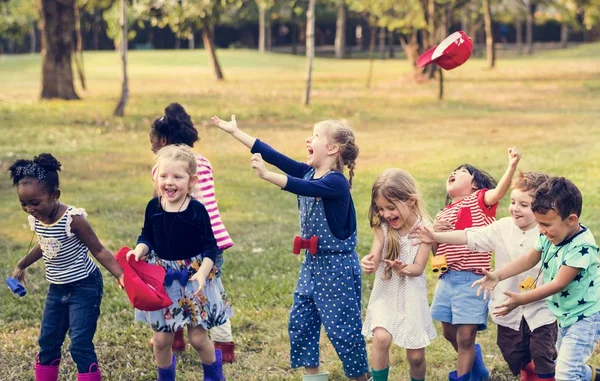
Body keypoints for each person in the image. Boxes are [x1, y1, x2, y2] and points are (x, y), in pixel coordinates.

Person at [211, 115, 369, 381]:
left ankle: (362, 378)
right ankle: (313, 376)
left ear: (332, 149)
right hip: (311, 265)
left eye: (316, 136)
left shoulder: (335, 182)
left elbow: (302, 187)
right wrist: (236, 132)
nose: (309, 139)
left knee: (343, 331)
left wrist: (266, 175)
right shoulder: (309, 170)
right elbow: (273, 154)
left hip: (336, 268)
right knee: (302, 323)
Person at [411, 171, 557, 380]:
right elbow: (470, 236)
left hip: (540, 308)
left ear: (541, 208)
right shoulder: (503, 227)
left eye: (524, 205)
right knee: (515, 354)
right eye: (513, 202)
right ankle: (542, 372)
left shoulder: (547, 232)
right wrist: (435, 235)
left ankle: (548, 374)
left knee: (543, 355)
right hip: (507, 308)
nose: (515, 208)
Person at [9, 153, 124, 381]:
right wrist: (22, 264)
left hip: (84, 287)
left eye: (35, 202)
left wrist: (121, 275)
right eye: (24, 204)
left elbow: (99, 249)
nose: (30, 209)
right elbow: (46, 245)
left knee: (80, 343)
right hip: (57, 289)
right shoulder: (38, 219)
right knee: (48, 341)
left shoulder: (73, 219)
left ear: (55, 195)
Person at [472, 177, 600, 381]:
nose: (540, 230)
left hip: (585, 317)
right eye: (539, 223)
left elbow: (559, 283)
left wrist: (522, 299)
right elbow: (528, 259)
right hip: (566, 314)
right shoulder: (548, 235)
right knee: (563, 368)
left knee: (566, 374)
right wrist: (498, 275)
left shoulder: (581, 247)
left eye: (546, 224)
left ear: (571, 220)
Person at [128, 144, 232, 381]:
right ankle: (165, 377)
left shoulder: (196, 210)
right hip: (162, 279)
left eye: (177, 176)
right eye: (163, 176)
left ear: (192, 180)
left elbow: (210, 246)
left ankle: (214, 376)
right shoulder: (153, 206)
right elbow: (147, 236)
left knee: (197, 338)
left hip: (194, 279)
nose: (169, 182)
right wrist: (139, 250)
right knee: (162, 340)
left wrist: (203, 274)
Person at [148, 102, 236, 362]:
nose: (152, 147)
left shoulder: (162, 171)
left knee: (180, 289)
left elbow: (163, 209)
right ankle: (224, 346)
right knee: (211, 292)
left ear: (163, 140)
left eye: (152, 142)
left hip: (191, 243)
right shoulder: (202, 162)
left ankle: (175, 336)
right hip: (216, 238)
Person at [429, 147, 521, 381]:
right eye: (452, 171)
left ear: (474, 185)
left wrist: (511, 165)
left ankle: (462, 377)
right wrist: (434, 234)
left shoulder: (480, 201)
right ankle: (478, 369)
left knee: (465, 337)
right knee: (450, 333)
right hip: (446, 280)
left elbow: (498, 192)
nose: (453, 172)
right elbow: (437, 251)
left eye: (460, 171)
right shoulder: (443, 213)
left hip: (472, 280)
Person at [360, 169, 437, 381]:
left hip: (412, 295)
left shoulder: (424, 230)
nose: (385, 214)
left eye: (391, 208)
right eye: (381, 208)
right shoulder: (383, 228)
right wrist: (368, 263)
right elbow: (375, 257)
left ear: (411, 201)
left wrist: (404, 268)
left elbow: (419, 267)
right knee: (381, 337)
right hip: (386, 292)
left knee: (416, 357)